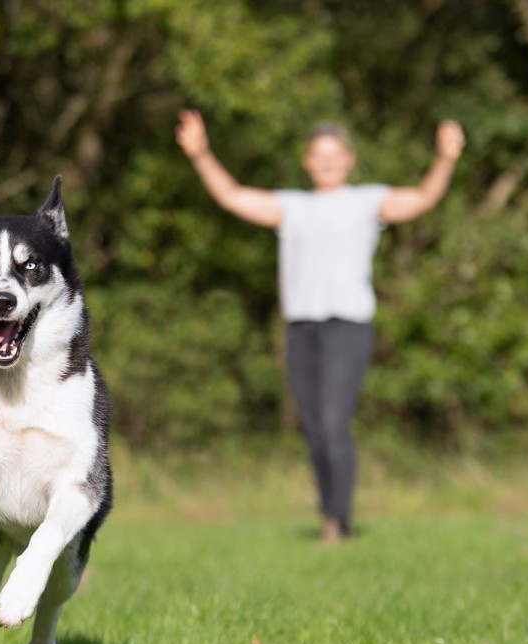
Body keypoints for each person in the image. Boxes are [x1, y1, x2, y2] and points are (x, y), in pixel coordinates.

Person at [175, 110, 466, 545]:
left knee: (333, 424)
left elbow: (423, 198)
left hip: (347, 327)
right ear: (308, 162)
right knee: (313, 428)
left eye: (335, 155)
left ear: (349, 159)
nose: (327, 162)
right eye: (318, 155)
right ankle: (331, 514)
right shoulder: (294, 207)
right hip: (302, 330)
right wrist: (201, 154)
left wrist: (445, 158)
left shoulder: (367, 201)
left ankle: (338, 522)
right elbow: (233, 197)